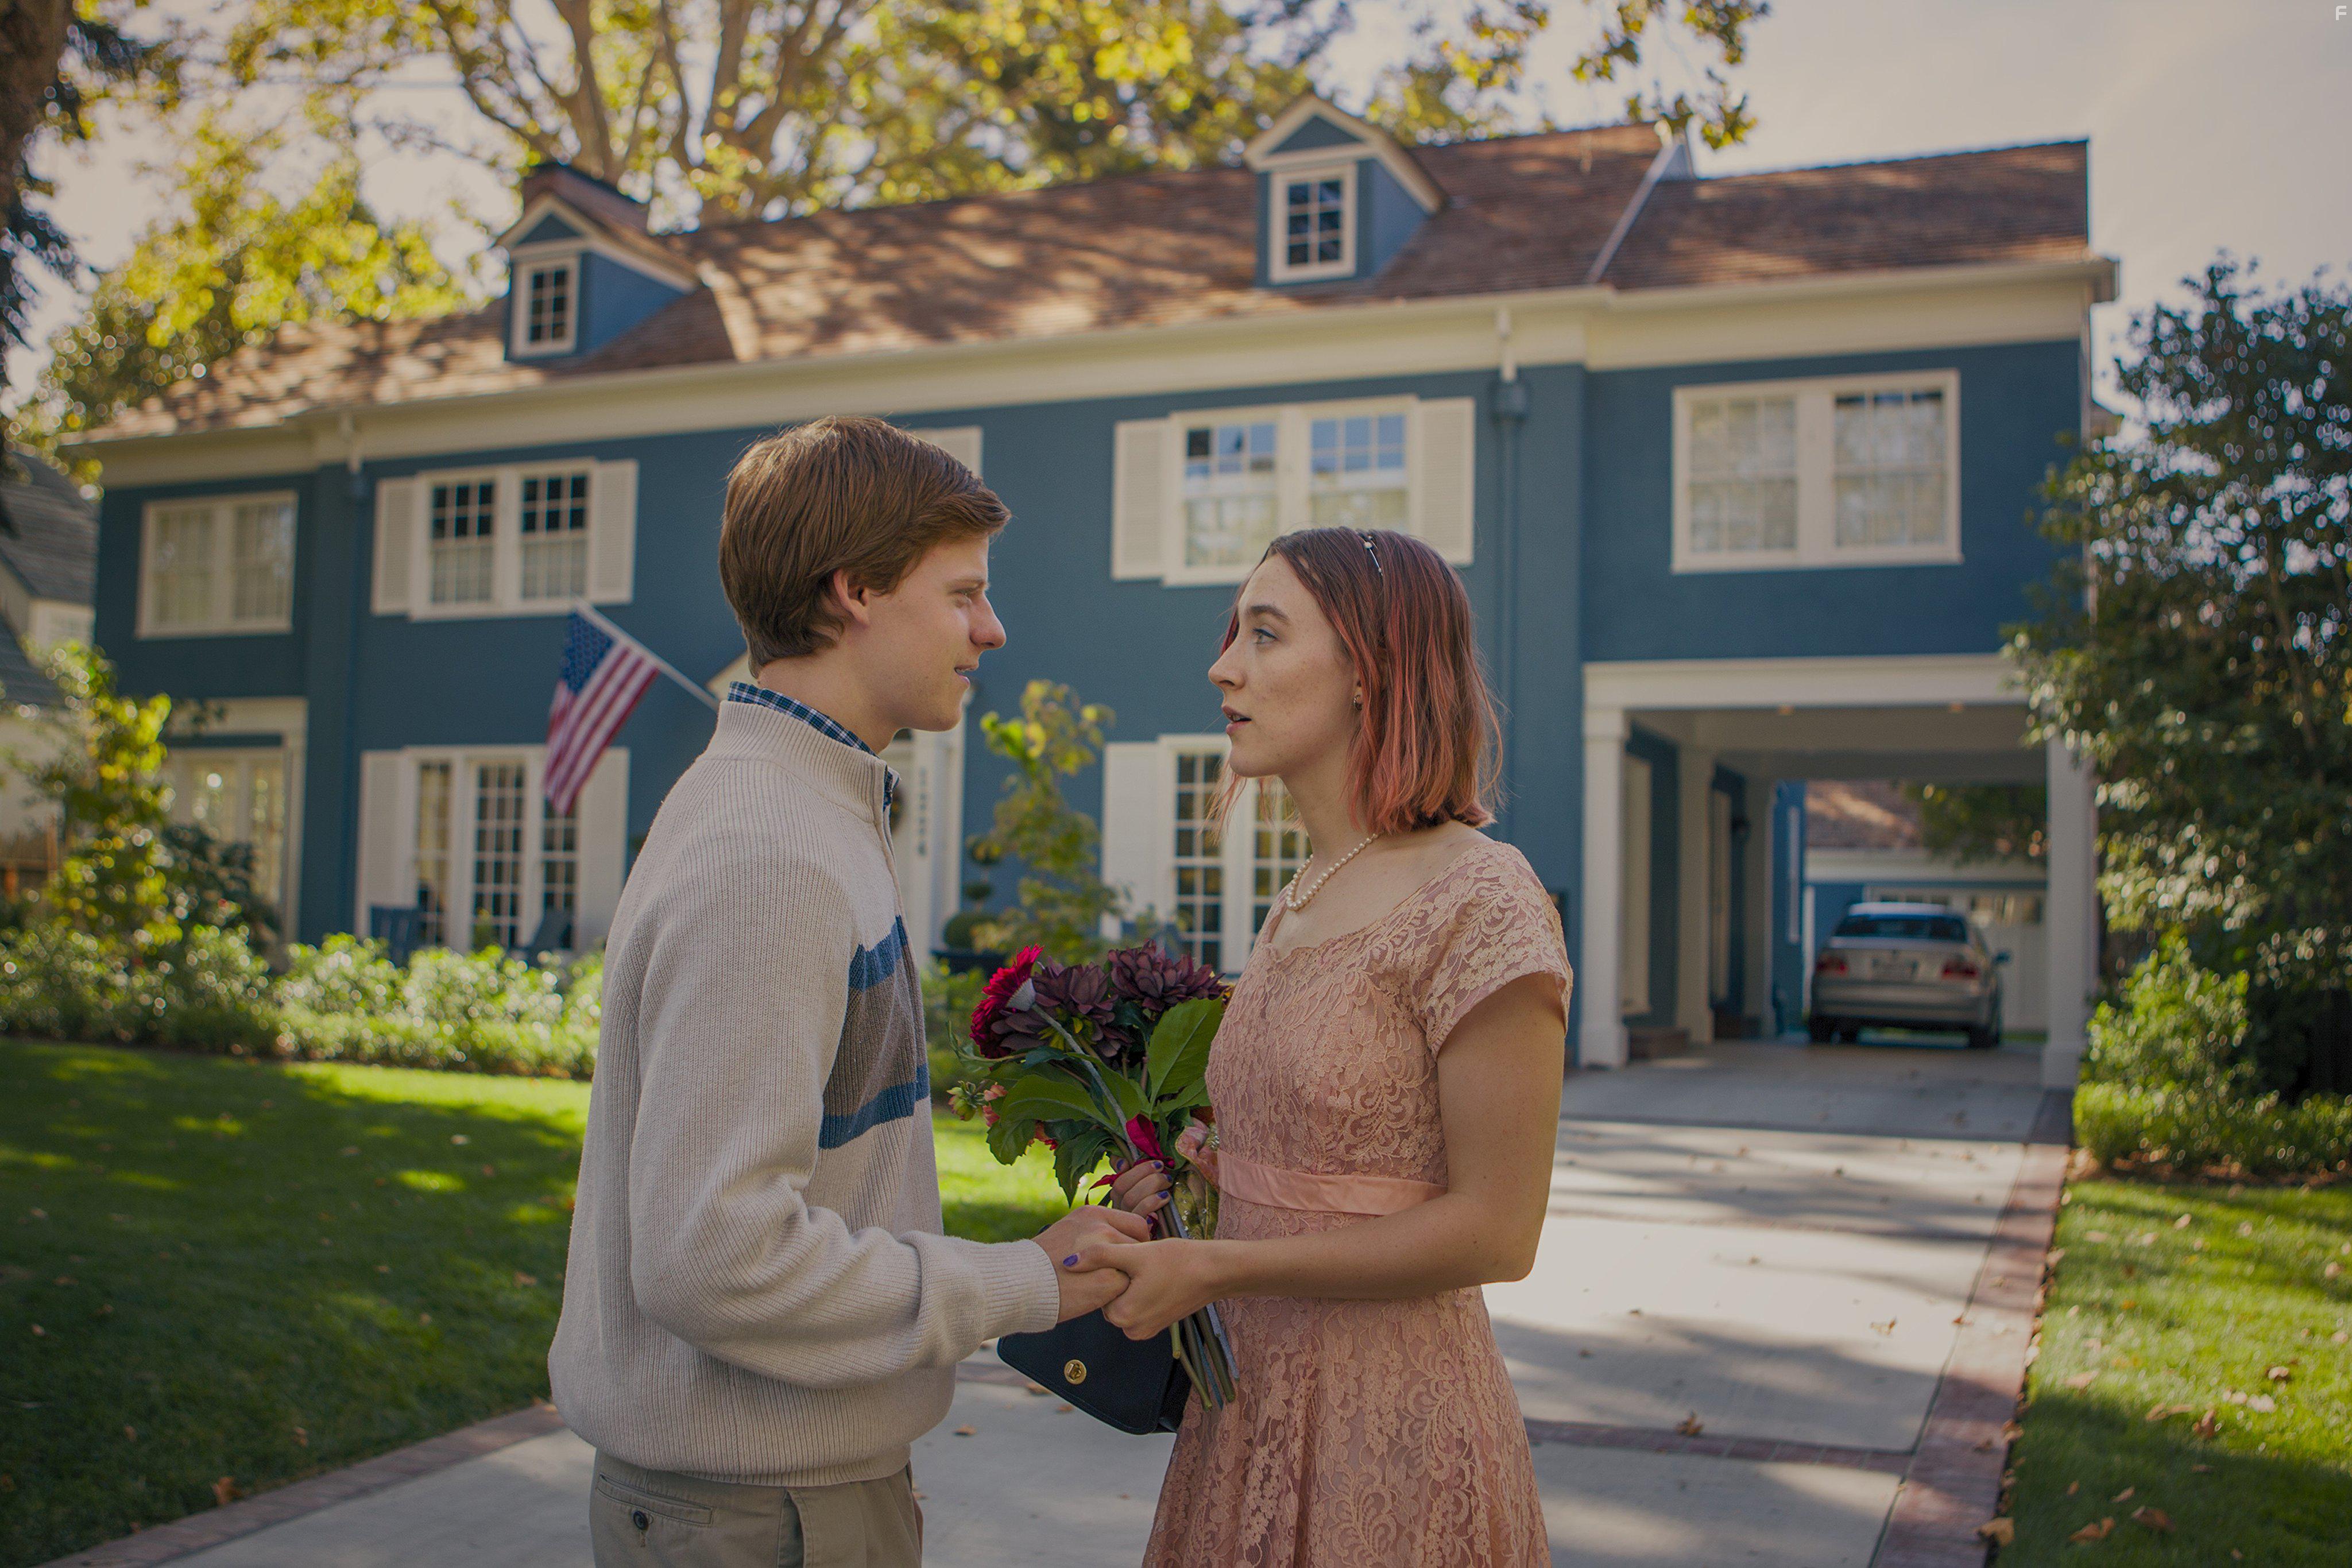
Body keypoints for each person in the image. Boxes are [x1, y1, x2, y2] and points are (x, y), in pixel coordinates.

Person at [549, 416, 1144, 1567]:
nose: (992, 628)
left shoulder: (808, 812)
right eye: (962, 592)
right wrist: (1022, 1282)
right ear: (856, 589)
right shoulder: (768, 851)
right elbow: (713, 1255)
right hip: (756, 1511)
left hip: (787, 1491)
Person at [1092, 526, 1572, 1567]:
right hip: (1245, 1404)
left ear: (1375, 672)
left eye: (1265, 634)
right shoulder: (1300, 896)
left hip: (1391, 1429)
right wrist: (1189, 1198)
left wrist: (1218, 1264)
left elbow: (1499, 1231)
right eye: (1234, 633)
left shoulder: (1482, 900)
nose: (1225, 664)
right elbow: (1327, 1171)